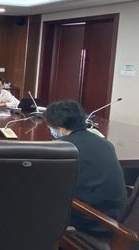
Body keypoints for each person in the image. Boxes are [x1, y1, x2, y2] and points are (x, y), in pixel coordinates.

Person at [45, 100, 126, 237]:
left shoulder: (63, 148)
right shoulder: (105, 143)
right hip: (117, 217)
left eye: (50, 126)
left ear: (60, 128)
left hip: (91, 220)